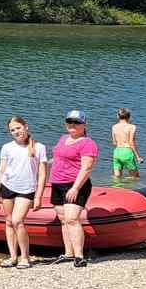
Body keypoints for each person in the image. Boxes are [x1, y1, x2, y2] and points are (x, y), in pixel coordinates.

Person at [0, 115, 48, 269]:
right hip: (7, 187)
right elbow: (1, 171)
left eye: (18, 128)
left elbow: (42, 174)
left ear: (26, 126)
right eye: (12, 130)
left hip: (27, 189)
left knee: (18, 221)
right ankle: (12, 257)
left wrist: (38, 196)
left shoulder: (39, 147)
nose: (16, 131)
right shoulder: (7, 147)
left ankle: (25, 257)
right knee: (9, 222)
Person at [49, 109, 98, 267]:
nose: (72, 125)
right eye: (70, 121)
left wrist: (75, 188)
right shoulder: (63, 138)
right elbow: (57, 158)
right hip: (57, 183)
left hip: (75, 185)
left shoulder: (87, 143)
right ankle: (68, 253)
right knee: (63, 220)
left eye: (77, 122)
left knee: (71, 219)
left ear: (84, 124)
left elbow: (86, 168)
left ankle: (79, 256)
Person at [111, 109, 143, 179]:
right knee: (135, 177)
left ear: (117, 116)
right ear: (129, 117)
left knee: (116, 177)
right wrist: (138, 157)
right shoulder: (132, 127)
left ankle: (116, 189)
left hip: (117, 152)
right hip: (127, 152)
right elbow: (131, 142)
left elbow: (114, 142)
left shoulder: (114, 127)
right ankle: (128, 186)